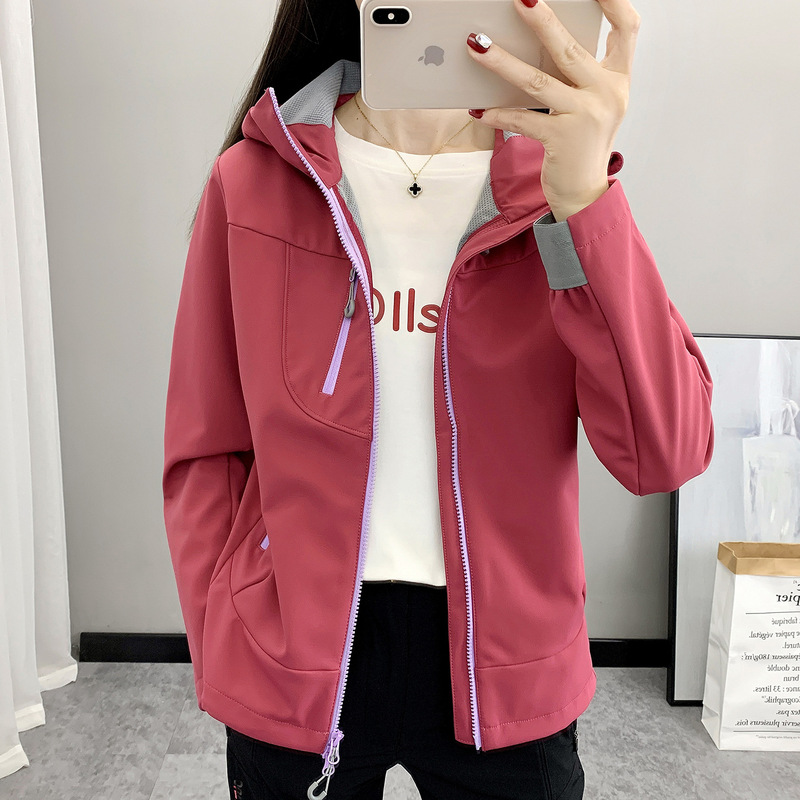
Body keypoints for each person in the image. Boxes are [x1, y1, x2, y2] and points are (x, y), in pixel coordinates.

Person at [162, 1, 714, 799]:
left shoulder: (552, 189)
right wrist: (228, 635)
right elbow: (205, 446)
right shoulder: (254, 182)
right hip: (295, 651)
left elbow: (665, 452)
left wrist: (586, 202)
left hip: (508, 663)